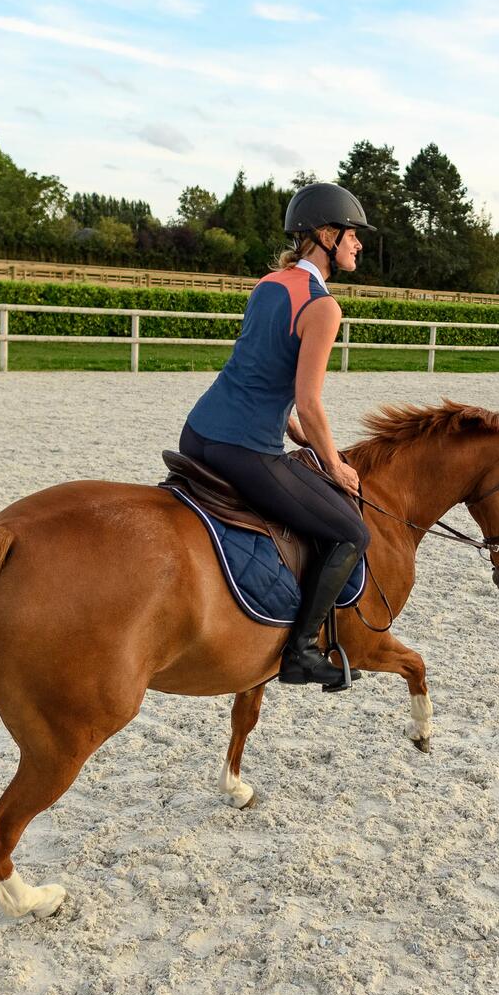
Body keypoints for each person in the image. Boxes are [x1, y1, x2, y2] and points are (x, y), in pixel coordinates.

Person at [181, 182, 373, 688]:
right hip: (243, 449)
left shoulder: (270, 283)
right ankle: (302, 653)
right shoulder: (323, 306)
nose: (358, 245)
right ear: (327, 235)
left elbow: (261, 375)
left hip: (198, 433)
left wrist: (299, 435)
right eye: (352, 234)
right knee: (352, 532)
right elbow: (308, 400)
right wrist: (334, 464)